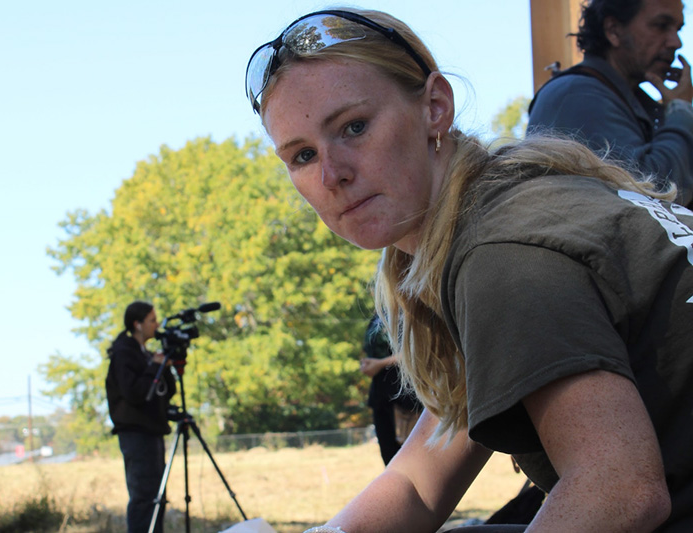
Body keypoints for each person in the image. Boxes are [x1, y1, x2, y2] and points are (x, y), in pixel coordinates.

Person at [244, 8, 693, 532]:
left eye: (355, 127)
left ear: (435, 106)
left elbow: (618, 489)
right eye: (300, 156)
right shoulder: (497, 208)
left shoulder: (502, 252)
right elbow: (416, 483)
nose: (331, 174)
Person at [527, 0, 693, 207]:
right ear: (613, 30)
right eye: (661, 25)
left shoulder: (626, 99)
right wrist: (681, 110)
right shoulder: (579, 95)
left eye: (678, 29)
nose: (676, 43)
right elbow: (653, 195)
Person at [106, 301, 176, 533]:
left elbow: (165, 392)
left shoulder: (144, 354)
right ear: (137, 324)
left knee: (157, 495)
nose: (156, 325)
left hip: (152, 431)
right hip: (136, 433)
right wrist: (152, 367)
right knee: (144, 496)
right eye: (152, 320)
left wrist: (163, 366)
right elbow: (134, 392)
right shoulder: (124, 354)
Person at [360, 313, 422, 465]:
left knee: (411, 462)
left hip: (405, 398)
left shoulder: (410, 309)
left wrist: (381, 364)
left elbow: (420, 350)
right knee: (390, 461)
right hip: (380, 398)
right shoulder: (377, 316)